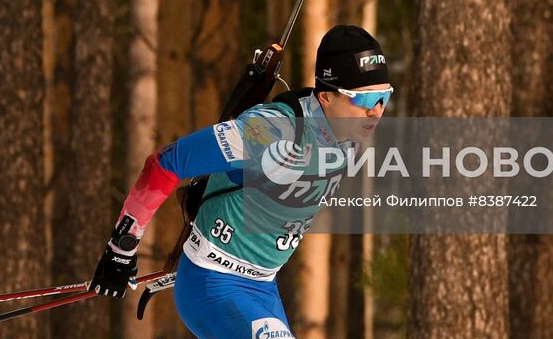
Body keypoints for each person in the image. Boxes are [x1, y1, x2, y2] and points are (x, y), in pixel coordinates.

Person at [88, 24, 393, 339]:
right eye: (364, 99)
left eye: (385, 96)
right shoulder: (271, 132)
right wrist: (121, 249)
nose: (377, 111)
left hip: (263, 288)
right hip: (214, 283)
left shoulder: (351, 135)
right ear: (326, 97)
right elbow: (166, 163)